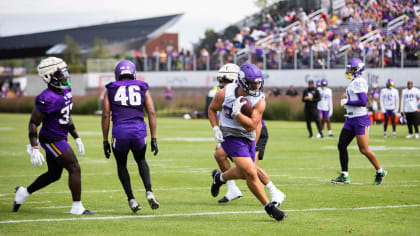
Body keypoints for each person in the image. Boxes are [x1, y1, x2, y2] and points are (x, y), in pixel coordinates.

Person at [13, 57, 92, 215]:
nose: (65, 76)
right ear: (50, 77)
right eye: (61, 74)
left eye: (65, 72)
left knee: (54, 174)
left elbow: (66, 116)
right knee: (74, 168)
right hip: (51, 139)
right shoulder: (47, 98)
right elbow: (33, 123)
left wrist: (76, 137)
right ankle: (77, 207)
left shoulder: (65, 91)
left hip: (60, 136)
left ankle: (23, 192)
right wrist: (34, 147)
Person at [208, 63, 287, 221]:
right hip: (231, 135)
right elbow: (211, 109)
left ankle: (220, 178)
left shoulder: (260, 100)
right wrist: (215, 127)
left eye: (258, 83)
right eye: (252, 83)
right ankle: (269, 207)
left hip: (250, 136)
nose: (256, 86)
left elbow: (251, 125)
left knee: (245, 172)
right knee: (250, 171)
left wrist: (238, 114)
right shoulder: (225, 93)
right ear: (242, 81)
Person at [101, 59, 159, 213]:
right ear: (133, 72)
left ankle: (131, 199)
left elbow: (106, 114)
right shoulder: (142, 86)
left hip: (120, 133)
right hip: (138, 132)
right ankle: (149, 191)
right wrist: (154, 138)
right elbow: (151, 111)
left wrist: (105, 140)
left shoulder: (111, 88)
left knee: (121, 164)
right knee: (141, 160)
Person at [331, 58, 387, 185]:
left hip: (360, 119)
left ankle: (380, 171)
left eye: (351, 68)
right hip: (350, 118)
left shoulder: (359, 82)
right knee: (341, 145)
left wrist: (347, 101)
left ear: (357, 70)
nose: (349, 70)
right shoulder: (354, 82)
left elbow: (363, 102)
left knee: (364, 149)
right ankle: (345, 175)